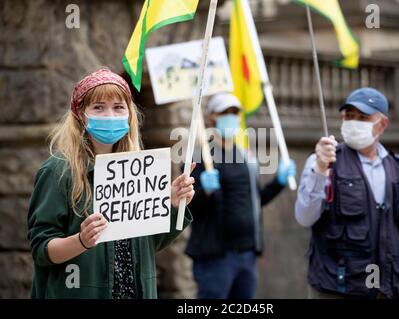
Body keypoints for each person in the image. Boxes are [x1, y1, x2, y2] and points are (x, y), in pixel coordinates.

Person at [27, 68, 196, 299]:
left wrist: (175, 205)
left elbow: (148, 245)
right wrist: (81, 241)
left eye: (118, 107)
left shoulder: (139, 170)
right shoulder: (58, 170)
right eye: (98, 107)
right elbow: (41, 249)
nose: (110, 115)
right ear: (80, 115)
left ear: (129, 115)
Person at [295, 87, 399, 299]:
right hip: (336, 290)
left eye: (363, 117)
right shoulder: (324, 161)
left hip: (385, 290)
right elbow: (304, 216)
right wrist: (320, 170)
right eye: (349, 116)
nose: (353, 122)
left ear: (382, 124)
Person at [186, 93, 297, 299]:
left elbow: (255, 200)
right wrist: (204, 191)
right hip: (215, 257)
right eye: (225, 112)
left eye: (235, 112)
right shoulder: (200, 158)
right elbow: (188, 208)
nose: (231, 117)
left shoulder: (246, 156)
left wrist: (278, 183)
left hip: (247, 254)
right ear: (211, 117)